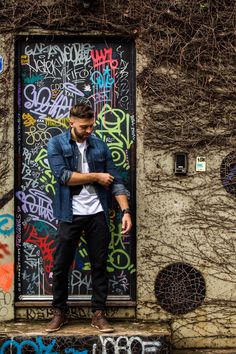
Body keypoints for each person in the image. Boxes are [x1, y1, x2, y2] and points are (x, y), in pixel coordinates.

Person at [46, 103, 132, 333]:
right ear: (71, 122)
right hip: (69, 213)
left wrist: (125, 212)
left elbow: (116, 181)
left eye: (91, 126)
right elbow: (63, 176)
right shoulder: (56, 144)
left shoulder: (100, 147)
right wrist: (96, 176)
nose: (88, 131)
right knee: (61, 265)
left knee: (99, 265)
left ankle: (98, 313)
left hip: (97, 213)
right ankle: (59, 312)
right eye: (84, 127)